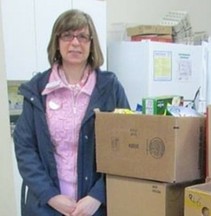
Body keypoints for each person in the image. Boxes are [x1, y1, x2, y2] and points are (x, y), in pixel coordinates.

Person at [13, 9, 130, 216]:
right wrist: (51, 196)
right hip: (46, 206)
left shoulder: (110, 88)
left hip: (96, 207)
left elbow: (126, 147)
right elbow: (25, 148)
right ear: (56, 42)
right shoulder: (37, 90)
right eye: (67, 35)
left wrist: (98, 196)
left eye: (83, 36)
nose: (75, 43)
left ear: (91, 43)